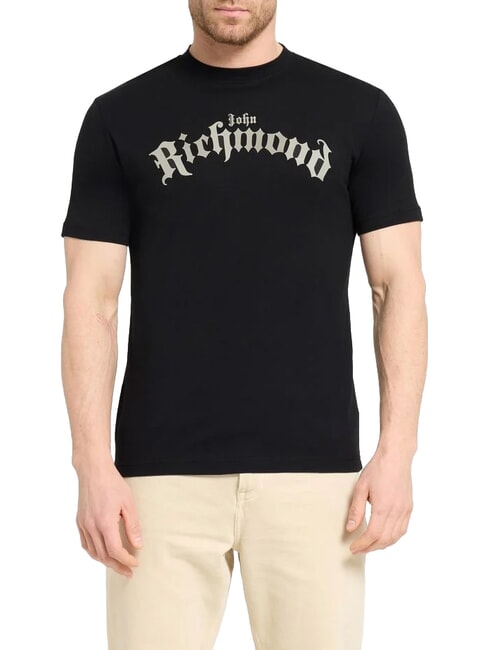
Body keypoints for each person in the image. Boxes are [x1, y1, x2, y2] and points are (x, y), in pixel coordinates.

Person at [60, 1, 428, 648]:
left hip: (317, 478)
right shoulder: (118, 117)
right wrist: (91, 465)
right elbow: (91, 300)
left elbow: (396, 286)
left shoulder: (360, 112)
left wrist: (397, 453)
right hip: (155, 481)